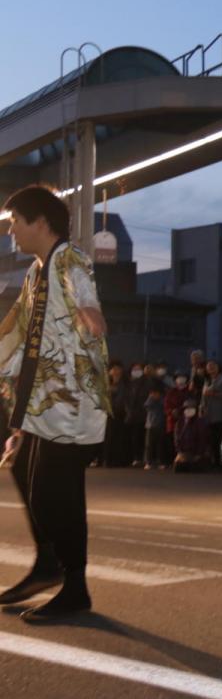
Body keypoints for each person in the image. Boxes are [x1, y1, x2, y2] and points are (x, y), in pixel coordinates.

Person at [0, 185, 111, 621]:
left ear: (40, 223)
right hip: (42, 404)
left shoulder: (69, 258)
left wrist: (90, 312)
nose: (11, 234)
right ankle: (47, 568)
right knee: (28, 479)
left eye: (14, 225)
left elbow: (82, 291)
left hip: (70, 402)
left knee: (55, 492)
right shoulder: (35, 273)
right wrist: (19, 416)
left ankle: (75, 586)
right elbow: (22, 338)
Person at [201, 359, 222, 468]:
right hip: (209, 414)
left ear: (218, 367)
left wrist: (214, 394)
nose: (211, 369)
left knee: (221, 439)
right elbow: (203, 396)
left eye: (213, 366)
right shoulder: (207, 381)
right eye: (209, 367)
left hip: (221, 413)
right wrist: (202, 407)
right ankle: (215, 461)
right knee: (212, 440)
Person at [173, 398, 209, 472]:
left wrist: (199, 454)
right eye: (187, 408)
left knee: (196, 468)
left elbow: (202, 439)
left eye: (191, 408)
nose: (189, 410)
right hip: (184, 452)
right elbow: (177, 439)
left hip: (196, 452)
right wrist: (180, 452)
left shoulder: (200, 422)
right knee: (178, 468)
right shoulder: (180, 423)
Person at [143, 384, 167, 470]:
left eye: (156, 393)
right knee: (149, 445)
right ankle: (148, 462)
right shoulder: (150, 400)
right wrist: (151, 398)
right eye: (153, 393)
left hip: (160, 424)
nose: (155, 394)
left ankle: (160, 461)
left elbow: (165, 406)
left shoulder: (163, 400)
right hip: (150, 425)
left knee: (160, 445)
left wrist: (159, 399)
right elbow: (146, 406)